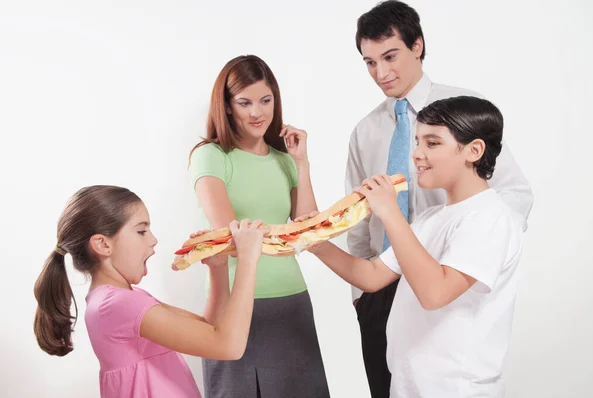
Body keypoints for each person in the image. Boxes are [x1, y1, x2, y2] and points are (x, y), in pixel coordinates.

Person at [345, 2, 534, 396]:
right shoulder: (365, 130)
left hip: (450, 281)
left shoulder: (464, 112)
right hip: (385, 284)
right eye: (369, 62)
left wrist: (476, 254)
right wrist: (363, 295)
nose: (381, 72)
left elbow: (512, 194)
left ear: (417, 46)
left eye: (390, 56)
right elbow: (360, 219)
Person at [306, 96, 523, 397]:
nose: (416, 155)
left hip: (454, 390)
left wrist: (390, 213)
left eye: (432, 143)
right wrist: (315, 241)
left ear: (474, 151)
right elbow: (371, 275)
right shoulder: (430, 218)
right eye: (417, 142)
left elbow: (435, 293)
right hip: (408, 385)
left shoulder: (491, 217)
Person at [33, 185, 264, 398]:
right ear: (103, 244)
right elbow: (228, 346)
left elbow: (210, 329)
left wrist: (218, 268)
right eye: (141, 231)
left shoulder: (121, 300)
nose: (153, 240)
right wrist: (247, 260)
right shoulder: (116, 305)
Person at [188, 54, 329, 397]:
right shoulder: (211, 156)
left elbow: (309, 230)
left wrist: (302, 163)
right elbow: (229, 235)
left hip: (292, 301)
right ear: (226, 105)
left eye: (266, 100)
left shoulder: (284, 160)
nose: (257, 112)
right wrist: (283, 236)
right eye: (244, 102)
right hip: (238, 304)